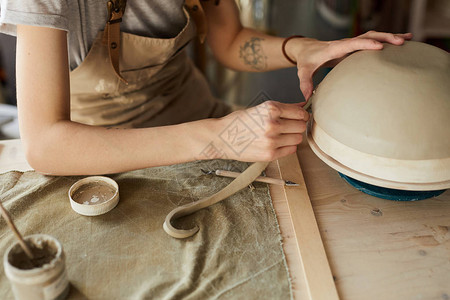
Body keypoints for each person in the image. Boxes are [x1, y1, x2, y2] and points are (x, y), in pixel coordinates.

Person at [0, 0, 411, 175]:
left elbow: (230, 42)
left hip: (198, 111)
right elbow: (45, 144)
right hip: (97, 152)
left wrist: (304, 48)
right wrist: (217, 138)